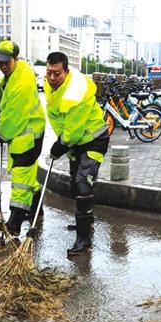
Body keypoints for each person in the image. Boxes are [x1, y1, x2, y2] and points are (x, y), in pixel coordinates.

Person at [45, 51, 110, 256]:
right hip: (77, 142)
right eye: (49, 73)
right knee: (75, 184)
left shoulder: (76, 92)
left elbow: (73, 132)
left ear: (66, 71)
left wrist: (59, 146)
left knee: (83, 185)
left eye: (57, 73)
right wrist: (63, 143)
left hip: (94, 141)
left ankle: (84, 240)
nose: (52, 78)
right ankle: (86, 223)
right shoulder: (52, 85)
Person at [0, 40, 46, 236]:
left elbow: (14, 114)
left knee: (21, 179)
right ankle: (37, 209)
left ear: (16, 59)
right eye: (0, 62)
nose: (3, 66)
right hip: (27, 134)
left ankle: (14, 223)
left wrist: (2, 133)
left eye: (7, 62)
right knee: (28, 175)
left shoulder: (21, 82)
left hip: (26, 137)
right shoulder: (15, 74)